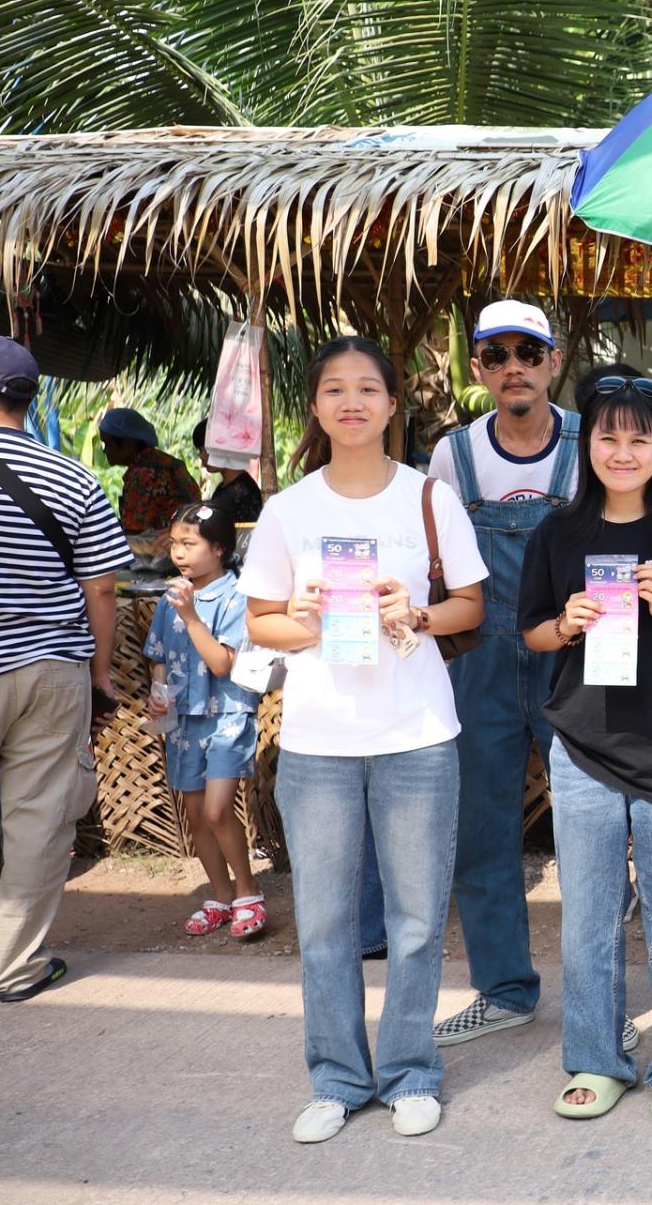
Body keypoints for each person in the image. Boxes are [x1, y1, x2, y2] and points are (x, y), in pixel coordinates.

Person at [240, 337, 486, 1144]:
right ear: (315, 407)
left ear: (391, 405)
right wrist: (308, 621)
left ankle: (410, 1071)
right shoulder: (289, 510)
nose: (352, 402)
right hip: (318, 743)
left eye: (368, 389)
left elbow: (471, 607)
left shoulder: (429, 499)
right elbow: (260, 621)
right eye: (335, 390)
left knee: (416, 918)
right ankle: (338, 1079)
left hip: (418, 734)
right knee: (323, 922)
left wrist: (415, 613)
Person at [519, 366, 652, 1121]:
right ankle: (596, 1058)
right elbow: (532, 632)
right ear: (589, 447)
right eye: (608, 437)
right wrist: (566, 622)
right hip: (584, 746)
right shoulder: (558, 533)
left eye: (639, 440)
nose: (622, 452)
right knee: (588, 918)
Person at [421, 300, 580, 1049]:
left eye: (528, 352)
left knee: (587, 828)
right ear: (478, 369)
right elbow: (441, 567)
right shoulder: (452, 457)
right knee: (481, 830)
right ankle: (504, 990)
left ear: (554, 361)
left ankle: (597, 994)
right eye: (496, 354)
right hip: (480, 658)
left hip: (573, 652)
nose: (513, 367)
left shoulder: (590, 442)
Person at [0, 336, 129, 1003]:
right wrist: (101, 674)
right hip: (55, 670)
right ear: (29, 400)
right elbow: (102, 588)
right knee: (39, 822)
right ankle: (18, 968)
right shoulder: (75, 477)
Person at [144, 502, 266, 940]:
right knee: (196, 814)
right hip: (184, 720)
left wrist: (192, 616)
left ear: (219, 548)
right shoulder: (171, 597)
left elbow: (221, 663)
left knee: (217, 809)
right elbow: (159, 655)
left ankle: (248, 893)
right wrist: (158, 693)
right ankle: (220, 896)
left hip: (228, 714)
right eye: (175, 543)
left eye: (190, 544)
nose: (179, 552)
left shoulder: (237, 597)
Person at [99, 406, 201, 538]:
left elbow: (134, 532)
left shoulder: (144, 475)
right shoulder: (168, 463)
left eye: (107, 444)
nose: (105, 451)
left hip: (166, 545)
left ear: (128, 444)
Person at [191, 419, 264, 527]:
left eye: (205, 449)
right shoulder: (224, 488)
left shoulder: (243, 493)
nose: (201, 456)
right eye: (200, 451)